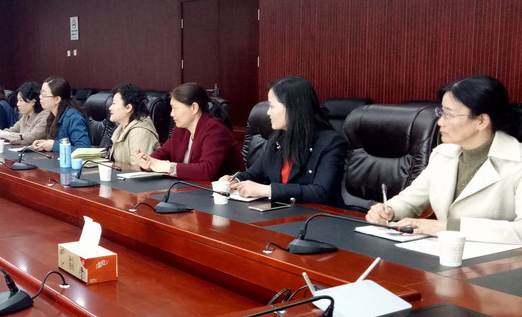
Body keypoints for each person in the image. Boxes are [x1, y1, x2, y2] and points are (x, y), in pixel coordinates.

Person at [366, 75, 522, 244]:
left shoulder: (516, 160)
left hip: (498, 257)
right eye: (441, 112)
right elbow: (410, 200)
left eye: (449, 114)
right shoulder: (443, 154)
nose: (440, 122)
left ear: (481, 121)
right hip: (445, 252)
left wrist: (447, 227)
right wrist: (389, 210)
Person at [221, 76, 346, 205]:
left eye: (272, 106)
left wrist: (267, 190)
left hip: (317, 214)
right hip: (280, 212)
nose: (268, 112)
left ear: (293, 108)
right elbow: (254, 173)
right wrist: (235, 180)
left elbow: (321, 192)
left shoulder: (331, 143)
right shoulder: (277, 139)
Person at [135, 83, 242, 180]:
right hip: (189, 189)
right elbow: (163, 153)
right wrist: (148, 162)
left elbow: (207, 170)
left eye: (175, 108)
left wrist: (169, 167)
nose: (171, 114)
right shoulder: (180, 129)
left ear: (194, 108)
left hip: (222, 191)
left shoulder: (215, 129)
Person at [31, 76, 92, 151]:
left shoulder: (74, 118)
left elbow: (84, 149)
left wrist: (54, 145)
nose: (40, 97)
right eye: (40, 93)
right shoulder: (53, 115)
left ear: (57, 99)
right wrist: (45, 143)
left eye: (44, 95)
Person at [108, 83, 160, 165]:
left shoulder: (140, 132)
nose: (110, 108)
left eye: (114, 104)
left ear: (128, 108)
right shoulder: (121, 127)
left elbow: (138, 168)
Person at [0, 81, 50, 145]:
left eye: (21, 100)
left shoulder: (45, 116)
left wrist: (6, 134)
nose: (18, 104)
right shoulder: (26, 115)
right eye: (18, 100)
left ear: (33, 102)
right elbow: (13, 130)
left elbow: (31, 138)